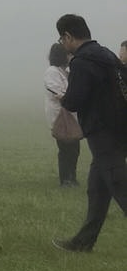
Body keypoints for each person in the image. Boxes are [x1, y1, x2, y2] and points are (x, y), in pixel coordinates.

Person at [52, 15, 127, 252]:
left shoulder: (82, 62)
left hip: (101, 132)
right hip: (119, 127)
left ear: (68, 37)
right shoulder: (107, 55)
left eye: (62, 39)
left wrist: (63, 98)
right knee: (97, 188)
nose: (63, 44)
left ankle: (82, 243)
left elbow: (74, 101)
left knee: (120, 186)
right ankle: (83, 242)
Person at [45, 42, 83, 188]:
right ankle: (65, 179)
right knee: (66, 148)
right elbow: (58, 93)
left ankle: (72, 177)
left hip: (71, 116)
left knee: (75, 148)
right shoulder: (52, 72)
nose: (70, 56)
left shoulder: (65, 71)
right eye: (68, 54)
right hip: (60, 116)